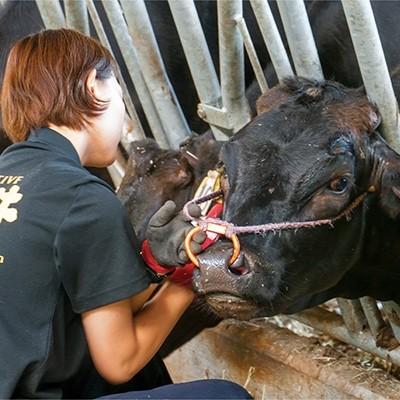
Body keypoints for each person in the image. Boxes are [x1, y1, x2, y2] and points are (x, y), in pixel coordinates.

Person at [0, 29, 251, 399]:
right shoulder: (82, 198)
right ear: (93, 86)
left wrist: (153, 266)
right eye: (119, 93)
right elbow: (119, 361)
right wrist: (184, 279)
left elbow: (84, 305)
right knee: (226, 396)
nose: (125, 121)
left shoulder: (10, 172)